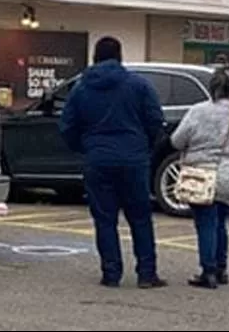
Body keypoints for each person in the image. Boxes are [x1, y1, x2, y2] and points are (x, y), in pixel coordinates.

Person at [58, 36, 167, 289]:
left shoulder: (81, 88)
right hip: (133, 159)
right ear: (119, 56)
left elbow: (67, 126)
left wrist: (85, 147)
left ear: (95, 56)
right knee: (140, 217)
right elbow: (155, 120)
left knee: (105, 219)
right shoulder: (138, 85)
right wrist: (144, 147)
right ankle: (147, 273)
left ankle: (111, 272)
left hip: (98, 159)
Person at [169, 65, 229, 289]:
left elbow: (177, 140)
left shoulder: (199, 111)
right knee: (220, 223)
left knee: (205, 224)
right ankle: (222, 267)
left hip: (201, 176)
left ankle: (208, 271)